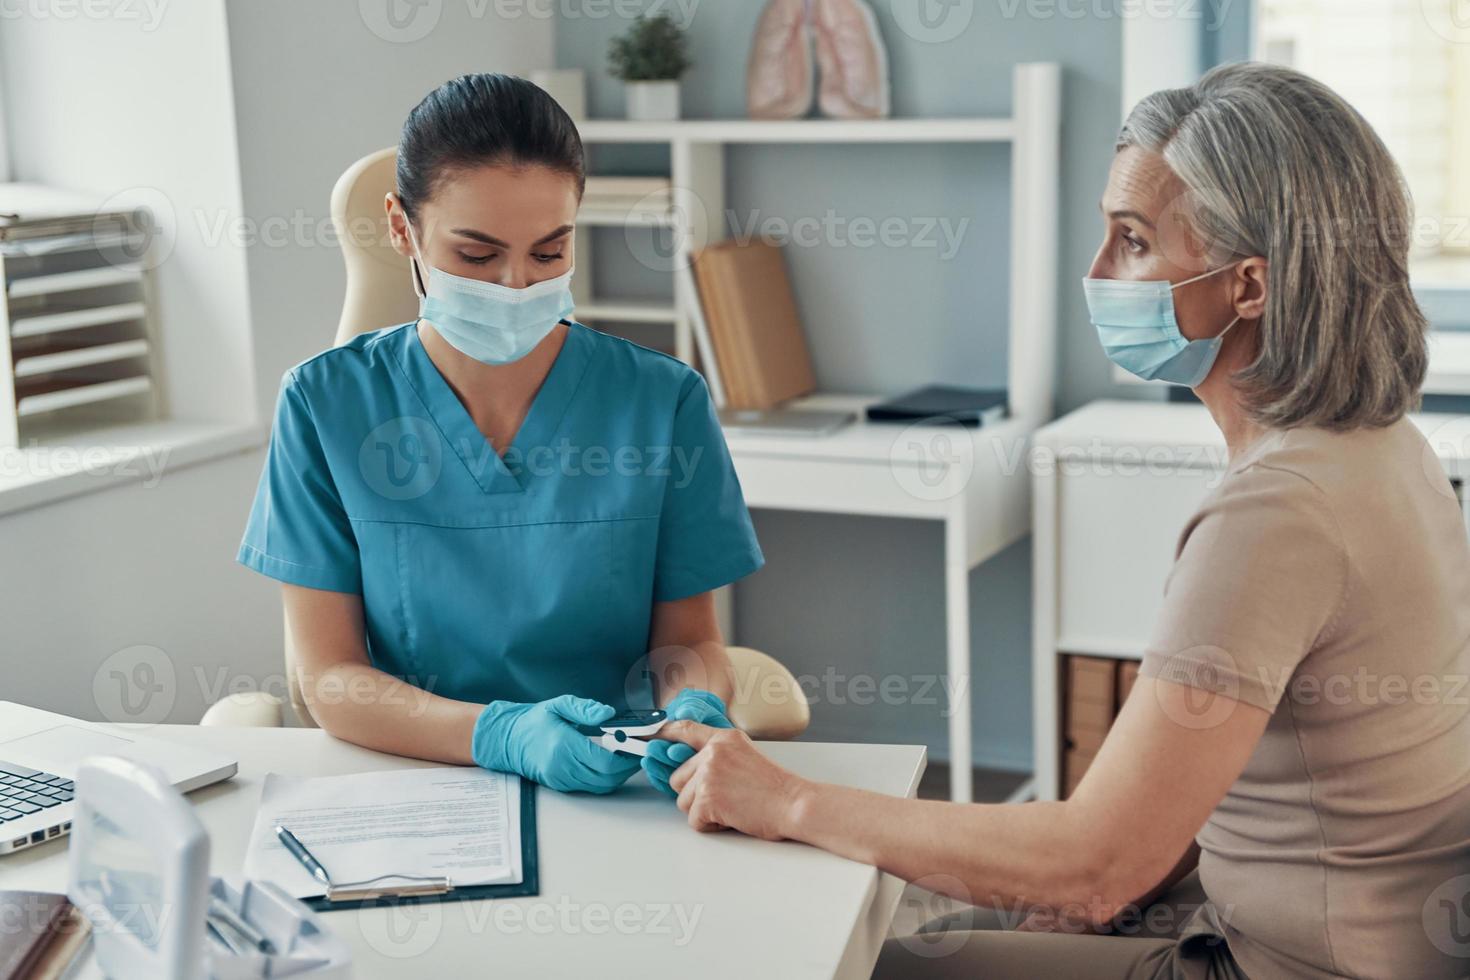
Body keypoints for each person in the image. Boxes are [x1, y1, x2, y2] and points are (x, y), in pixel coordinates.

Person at [658, 62, 1470, 979]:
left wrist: (786, 799)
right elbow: (1229, 814)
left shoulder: (1278, 513)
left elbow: (1093, 864)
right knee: (945, 931)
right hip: (1347, 934)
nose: (1095, 273)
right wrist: (1116, 895)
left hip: (1285, 962)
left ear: (1248, 286)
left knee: (862, 961)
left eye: (1131, 241)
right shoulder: (1385, 446)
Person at [237, 73, 762, 798]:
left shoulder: (661, 401)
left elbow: (688, 640)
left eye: (549, 253)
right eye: (477, 257)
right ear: (400, 228)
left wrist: (692, 706)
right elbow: (327, 678)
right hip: (414, 782)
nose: (517, 286)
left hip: (614, 781)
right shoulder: (324, 405)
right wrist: (500, 734)